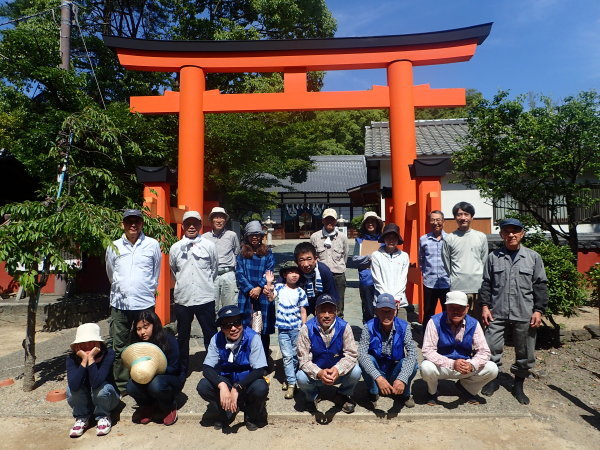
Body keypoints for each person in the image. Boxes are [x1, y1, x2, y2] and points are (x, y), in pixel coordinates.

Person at [479, 218, 548, 405]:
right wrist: (484, 306)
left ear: (522, 233)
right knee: (490, 347)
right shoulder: (494, 257)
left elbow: (540, 285)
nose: (511, 235)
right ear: (501, 234)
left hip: (524, 311)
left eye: (515, 231)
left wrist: (538, 311)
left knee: (525, 351)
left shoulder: (533, 257)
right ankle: (494, 379)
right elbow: (486, 284)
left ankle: (518, 385)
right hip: (497, 310)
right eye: (506, 231)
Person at [105, 209, 162, 393]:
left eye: (136, 221)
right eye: (129, 221)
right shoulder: (113, 246)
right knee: (119, 345)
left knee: (146, 344)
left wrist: (146, 289)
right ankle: (122, 386)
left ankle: (144, 379)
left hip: (144, 303)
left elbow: (156, 273)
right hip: (120, 304)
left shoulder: (152, 245)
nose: (133, 225)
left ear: (142, 223)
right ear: (122, 224)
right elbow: (111, 273)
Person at [197, 305, 269, 431]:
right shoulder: (216, 339)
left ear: (242, 322)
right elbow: (207, 367)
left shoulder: (253, 338)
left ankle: (251, 414)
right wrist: (221, 385)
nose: (233, 328)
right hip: (227, 380)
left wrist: (238, 387)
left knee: (260, 387)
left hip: (246, 382)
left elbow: (259, 369)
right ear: (221, 328)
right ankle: (226, 411)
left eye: (237, 323)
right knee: (203, 386)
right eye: (227, 325)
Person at [420, 291, 498, 406]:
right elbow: (428, 350)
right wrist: (452, 363)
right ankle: (432, 392)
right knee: (426, 367)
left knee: (492, 369)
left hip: (465, 366)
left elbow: (484, 351)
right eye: (452, 307)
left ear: (467, 308)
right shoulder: (434, 322)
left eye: (460, 308)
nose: (456, 311)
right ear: (446, 307)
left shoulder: (474, 324)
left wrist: (472, 364)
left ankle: (467, 388)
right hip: (442, 365)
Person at [169, 210, 219, 383]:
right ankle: (183, 368)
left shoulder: (209, 246)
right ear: (182, 226)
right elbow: (174, 270)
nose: (191, 226)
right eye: (188, 223)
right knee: (182, 335)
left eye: (195, 223)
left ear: (200, 225)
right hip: (183, 298)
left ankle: (213, 366)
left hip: (205, 296)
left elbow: (214, 269)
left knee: (210, 333)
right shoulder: (175, 247)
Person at [296, 294, 361, 414]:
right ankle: (312, 396)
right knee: (301, 377)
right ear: (316, 312)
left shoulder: (344, 327)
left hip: (337, 373)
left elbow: (351, 355)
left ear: (336, 312)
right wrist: (319, 373)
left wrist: (337, 369)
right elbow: (303, 360)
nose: (326, 315)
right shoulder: (306, 329)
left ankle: (342, 394)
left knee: (356, 371)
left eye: (330, 311)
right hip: (316, 373)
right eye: (322, 311)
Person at [358, 293, 418, 408]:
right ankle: (373, 392)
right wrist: (378, 377)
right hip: (378, 370)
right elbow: (361, 354)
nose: (386, 315)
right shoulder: (368, 327)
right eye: (382, 311)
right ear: (376, 311)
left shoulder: (404, 327)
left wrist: (402, 378)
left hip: (394, 369)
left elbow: (412, 353)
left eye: (389, 311)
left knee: (413, 364)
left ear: (395, 311)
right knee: (366, 359)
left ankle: (404, 393)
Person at [126, 311, 182, 426]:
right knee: (130, 386)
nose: (142, 332)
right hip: (146, 378)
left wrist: (155, 370)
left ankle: (169, 405)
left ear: (154, 325)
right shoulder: (136, 342)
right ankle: (148, 406)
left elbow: (175, 367)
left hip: (170, 378)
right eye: (138, 329)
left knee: (156, 384)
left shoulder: (168, 339)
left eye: (146, 327)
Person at [66, 323, 120, 438]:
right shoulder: (71, 359)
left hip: (107, 398)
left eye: (91, 341)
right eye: (83, 342)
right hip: (87, 401)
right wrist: (84, 361)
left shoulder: (108, 354)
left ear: (98, 343)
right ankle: (82, 417)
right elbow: (74, 386)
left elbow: (96, 382)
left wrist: (90, 359)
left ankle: (103, 416)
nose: (87, 345)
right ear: (77, 345)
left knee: (100, 389)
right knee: (70, 390)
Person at [265, 262, 308, 399]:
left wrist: (304, 326)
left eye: (296, 272)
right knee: (287, 356)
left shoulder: (301, 292)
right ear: (284, 274)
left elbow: (303, 311)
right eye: (290, 272)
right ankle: (291, 383)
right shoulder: (279, 287)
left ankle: (290, 378)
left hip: (296, 329)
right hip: (283, 329)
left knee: (295, 356)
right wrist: (269, 283)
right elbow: (270, 297)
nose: (294, 275)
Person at [236, 220, 275, 359]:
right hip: (246, 296)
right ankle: (246, 357)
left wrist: (259, 287)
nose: (254, 237)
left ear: (261, 236)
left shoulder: (267, 253)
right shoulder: (242, 254)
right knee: (245, 327)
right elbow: (239, 274)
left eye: (257, 235)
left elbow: (269, 271)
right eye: (251, 235)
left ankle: (263, 359)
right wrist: (250, 289)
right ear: (247, 236)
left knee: (262, 329)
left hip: (263, 294)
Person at [442, 202, 488, 315]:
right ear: (455, 218)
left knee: (478, 321)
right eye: (459, 214)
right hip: (458, 287)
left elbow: (484, 260)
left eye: (466, 214)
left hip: (478, 286)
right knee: (457, 320)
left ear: (472, 217)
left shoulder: (481, 237)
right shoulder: (449, 238)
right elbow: (447, 263)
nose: (463, 218)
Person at [310, 208, 349, 317]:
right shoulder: (315, 237)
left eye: (332, 220)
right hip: (320, 276)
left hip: (338, 275)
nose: (329, 222)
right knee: (319, 304)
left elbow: (345, 256)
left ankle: (338, 330)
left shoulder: (342, 237)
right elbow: (311, 257)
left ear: (336, 221)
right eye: (327, 219)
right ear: (322, 220)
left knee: (338, 306)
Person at [370, 223, 410, 321]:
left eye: (394, 238)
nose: (391, 240)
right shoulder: (376, 255)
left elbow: (403, 279)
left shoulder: (404, 256)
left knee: (401, 330)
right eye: (388, 237)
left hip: (399, 301)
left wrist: (396, 298)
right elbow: (377, 280)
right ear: (384, 239)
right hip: (381, 299)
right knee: (381, 331)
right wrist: (387, 299)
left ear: (398, 239)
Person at [419, 210, 451, 329]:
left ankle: (446, 337)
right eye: (432, 220)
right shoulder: (423, 239)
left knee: (448, 312)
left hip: (446, 282)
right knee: (428, 312)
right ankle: (426, 339)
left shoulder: (450, 239)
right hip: (429, 283)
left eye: (438, 220)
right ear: (429, 221)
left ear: (443, 221)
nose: (435, 222)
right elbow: (421, 259)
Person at [204, 207, 240, 311]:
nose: (219, 220)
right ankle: (212, 327)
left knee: (230, 307)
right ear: (211, 220)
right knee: (211, 307)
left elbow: (236, 252)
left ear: (225, 220)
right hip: (211, 275)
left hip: (228, 273)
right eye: (216, 217)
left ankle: (228, 327)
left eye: (221, 217)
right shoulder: (205, 237)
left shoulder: (232, 235)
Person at [352, 211, 384, 323]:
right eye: (368, 222)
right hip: (366, 279)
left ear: (377, 224)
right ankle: (368, 333)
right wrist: (371, 257)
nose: (370, 224)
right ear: (364, 225)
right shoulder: (359, 241)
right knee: (368, 309)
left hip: (382, 279)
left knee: (382, 307)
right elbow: (355, 260)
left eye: (373, 222)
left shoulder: (383, 240)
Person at [294, 241, 339, 317]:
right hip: (301, 304)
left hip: (321, 302)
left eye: (309, 259)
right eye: (301, 260)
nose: (306, 264)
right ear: (296, 262)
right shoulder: (294, 272)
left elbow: (332, 295)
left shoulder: (324, 271)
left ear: (315, 259)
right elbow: (280, 285)